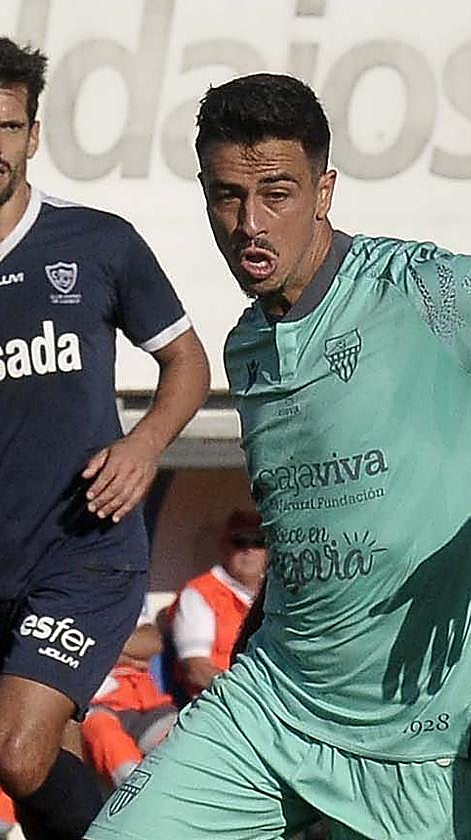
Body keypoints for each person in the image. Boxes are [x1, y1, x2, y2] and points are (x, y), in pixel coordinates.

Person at [86, 73, 471, 840]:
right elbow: (301, 529)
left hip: (428, 735)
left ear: (325, 189)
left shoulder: (427, 288)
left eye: (278, 193)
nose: (249, 222)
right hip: (272, 705)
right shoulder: (246, 345)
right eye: (227, 196)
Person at [0, 38, 209, 840]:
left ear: (34, 135)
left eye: (9, 126)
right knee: (42, 763)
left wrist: (146, 444)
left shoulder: (94, 243)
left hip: (84, 549)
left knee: (18, 755)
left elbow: (185, 361)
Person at [165, 510, 266, 698]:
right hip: (218, 704)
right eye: (240, 541)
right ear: (224, 546)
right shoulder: (199, 593)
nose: (248, 549)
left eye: (258, 541)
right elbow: (197, 671)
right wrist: (255, 695)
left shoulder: (277, 595)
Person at [81, 603, 177, 788]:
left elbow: (150, 641)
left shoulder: (117, 594)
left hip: (146, 706)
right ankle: (136, 795)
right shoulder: (58, 599)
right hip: (95, 706)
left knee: (181, 742)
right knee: (105, 733)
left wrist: (95, 650)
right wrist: (124, 652)